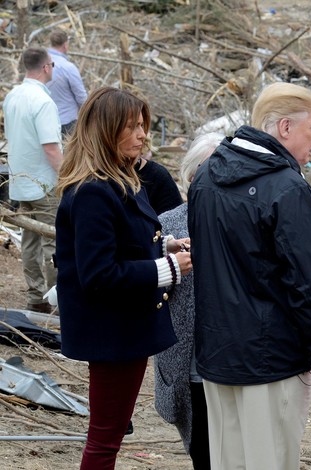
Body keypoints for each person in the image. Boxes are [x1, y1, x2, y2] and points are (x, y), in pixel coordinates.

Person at [188, 83, 311, 470]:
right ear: (286, 127)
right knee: (270, 461)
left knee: (228, 462)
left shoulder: (205, 179)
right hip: (271, 360)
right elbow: (308, 283)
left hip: (217, 353)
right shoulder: (287, 190)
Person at [54, 87, 192, 470]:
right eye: (132, 127)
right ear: (106, 132)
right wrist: (168, 269)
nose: (142, 134)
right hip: (110, 331)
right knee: (104, 439)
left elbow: (123, 243)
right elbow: (98, 273)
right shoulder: (93, 192)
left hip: (125, 328)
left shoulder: (120, 180)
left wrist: (166, 246)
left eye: (142, 126)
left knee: (109, 434)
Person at [153, 133, 222, 470]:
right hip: (185, 357)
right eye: (209, 172)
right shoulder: (167, 224)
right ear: (192, 177)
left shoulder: (240, 220)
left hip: (229, 359)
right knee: (201, 448)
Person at [3, 47, 63, 314]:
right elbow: (51, 147)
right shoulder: (43, 102)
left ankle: (35, 295)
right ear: (46, 67)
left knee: (29, 240)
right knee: (52, 241)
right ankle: (56, 300)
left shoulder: (12, 96)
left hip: (19, 179)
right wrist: (65, 178)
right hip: (45, 181)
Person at [46, 30, 88, 137]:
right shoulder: (68, 67)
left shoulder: (39, 64)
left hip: (44, 121)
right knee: (69, 152)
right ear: (65, 45)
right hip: (67, 122)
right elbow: (81, 96)